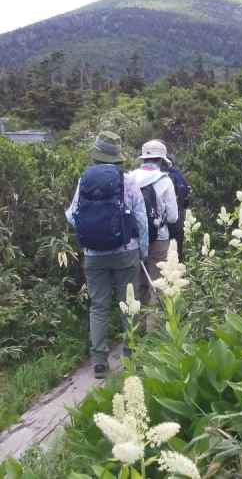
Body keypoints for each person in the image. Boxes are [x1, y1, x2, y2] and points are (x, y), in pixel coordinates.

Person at [66, 131, 148, 379]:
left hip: (94, 254)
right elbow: (141, 218)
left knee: (99, 307)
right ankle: (131, 355)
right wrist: (142, 250)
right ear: (117, 157)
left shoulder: (84, 181)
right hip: (126, 252)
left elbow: (71, 215)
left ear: (96, 156)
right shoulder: (128, 181)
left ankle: (99, 361)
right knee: (129, 304)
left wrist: (92, 232)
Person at [128, 140, 178, 330]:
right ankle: (154, 331)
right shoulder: (164, 180)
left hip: (133, 239)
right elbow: (173, 217)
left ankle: (136, 327)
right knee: (158, 284)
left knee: (137, 284)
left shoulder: (129, 178)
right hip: (159, 239)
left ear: (144, 158)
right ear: (161, 159)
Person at [164, 153, 191, 262]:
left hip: (164, 225)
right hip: (179, 220)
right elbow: (186, 200)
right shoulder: (180, 176)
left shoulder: (163, 177)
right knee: (177, 254)